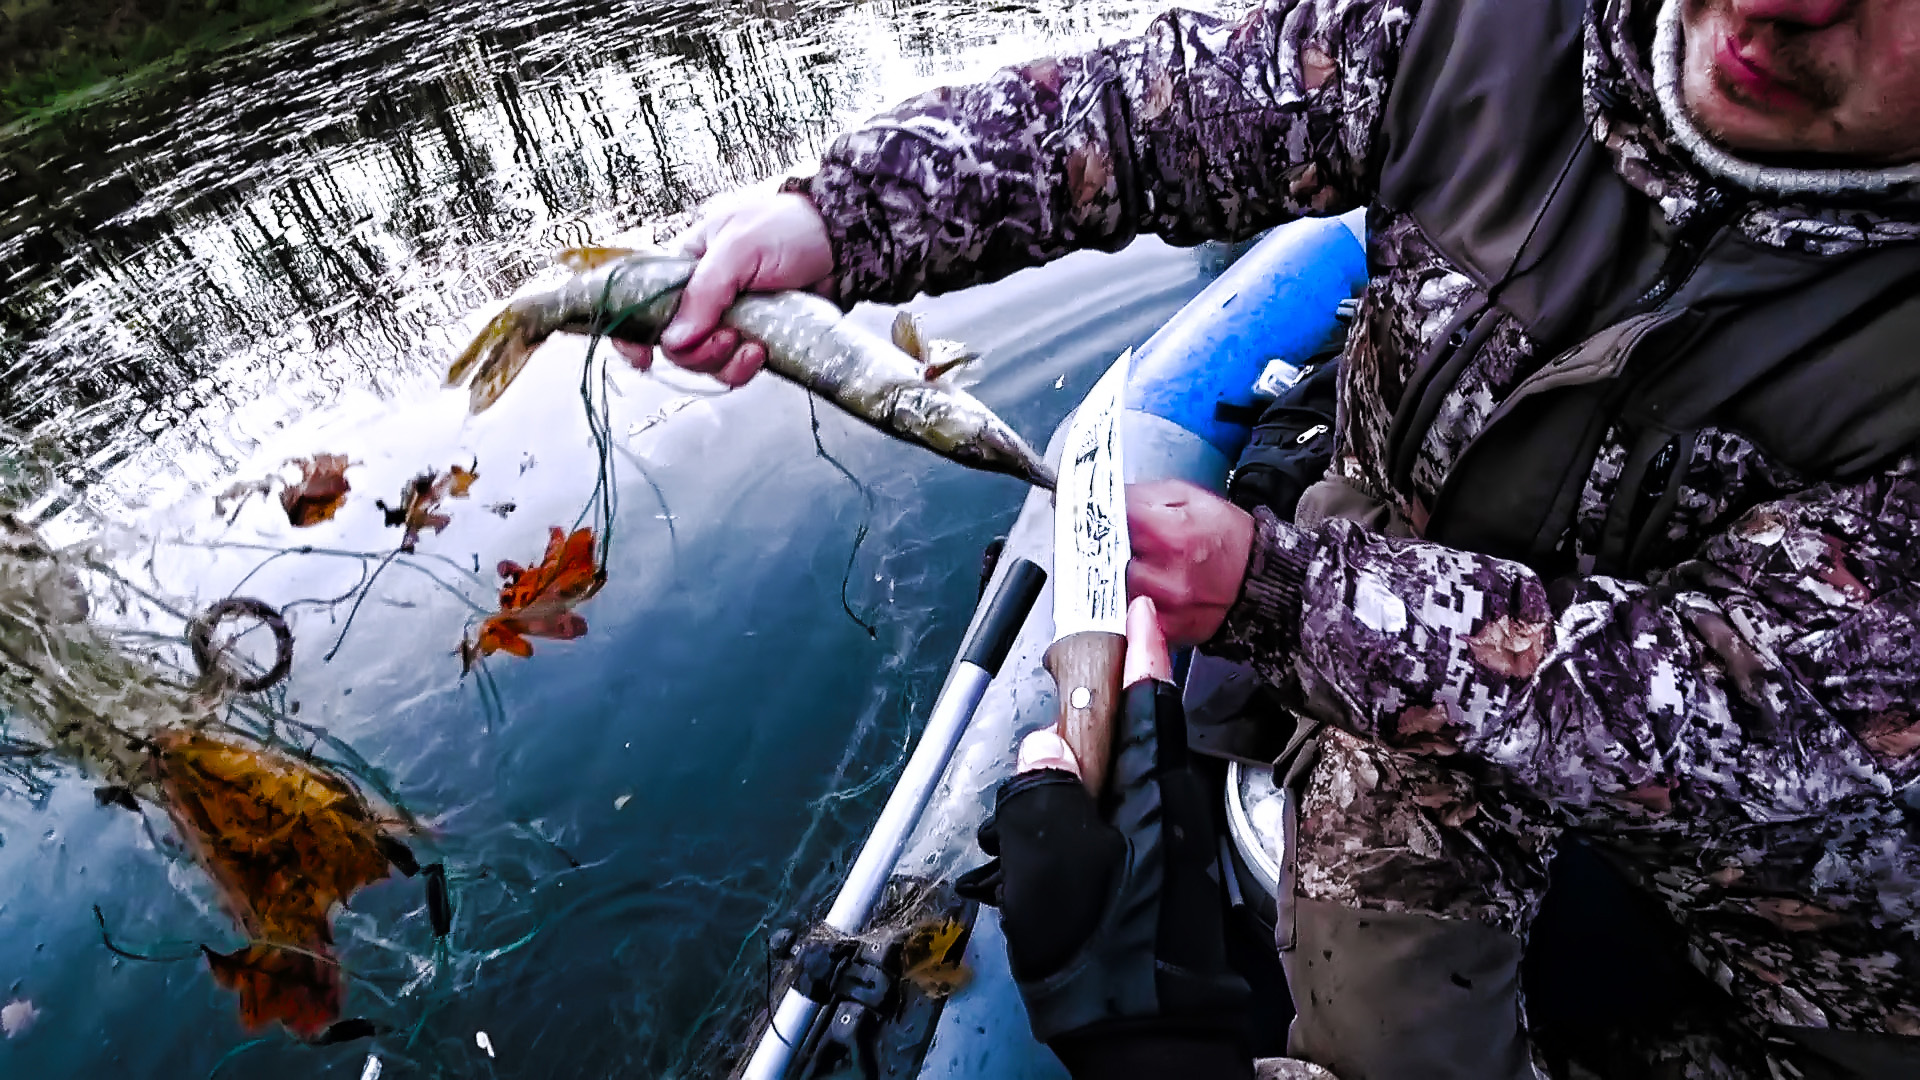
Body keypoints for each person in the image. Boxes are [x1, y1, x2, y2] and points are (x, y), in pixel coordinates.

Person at [618, 0, 1920, 1074]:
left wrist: (1278, 596)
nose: (1777, 2)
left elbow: (1726, 712)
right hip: (1390, 679)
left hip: (1800, 820)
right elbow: (1143, 118)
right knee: (1377, 1024)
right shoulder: (1491, 32)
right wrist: (836, 218)